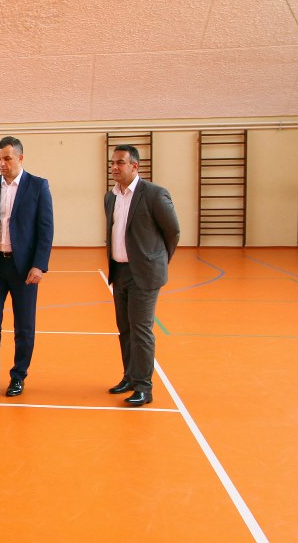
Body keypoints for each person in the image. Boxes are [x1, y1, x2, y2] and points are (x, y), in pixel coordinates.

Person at [0, 136, 54, 397]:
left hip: (24, 269)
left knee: (24, 327)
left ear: (20, 158)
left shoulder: (38, 186)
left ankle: (18, 376)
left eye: (7, 158)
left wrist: (39, 265)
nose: (2, 164)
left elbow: (45, 229)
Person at [105, 145, 180, 406]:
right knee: (125, 329)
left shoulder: (154, 194)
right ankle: (129, 377)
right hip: (119, 271)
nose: (114, 167)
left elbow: (173, 231)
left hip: (144, 274)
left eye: (120, 163)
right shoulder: (111, 196)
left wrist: (157, 260)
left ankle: (144, 387)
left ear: (134, 166)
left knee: (140, 330)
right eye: (113, 163)